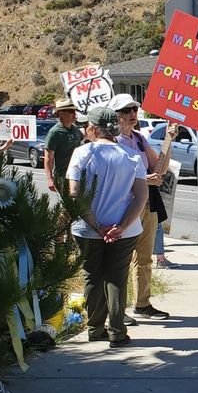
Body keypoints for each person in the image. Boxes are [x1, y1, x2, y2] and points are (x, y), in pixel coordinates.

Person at [67, 106, 148, 348]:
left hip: (87, 229)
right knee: (116, 277)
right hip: (125, 230)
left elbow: (74, 194)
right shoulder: (131, 156)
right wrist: (121, 226)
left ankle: (95, 328)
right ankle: (117, 331)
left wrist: (97, 225)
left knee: (92, 275)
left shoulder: (82, 154)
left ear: (92, 128)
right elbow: (141, 197)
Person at [112, 94, 170, 322]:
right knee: (121, 259)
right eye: (127, 110)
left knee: (144, 257)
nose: (132, 114)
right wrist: (147, 180)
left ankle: (143, 303)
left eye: (134, 109)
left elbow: (159, 167)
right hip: (125, 206)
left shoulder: (138, 138)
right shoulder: (112, 142)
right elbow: (118, 176)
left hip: (146, 204)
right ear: (116, 115)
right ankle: (118, 309)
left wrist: (169, 139)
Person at [44, 97, 83, 192]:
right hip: (63, 176)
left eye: (74, 111)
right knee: (68, 205)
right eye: (70, 111)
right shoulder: (55, 132)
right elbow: (49, 157)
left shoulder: (75, 129)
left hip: (79, 175)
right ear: (60, 113)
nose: (74, 114)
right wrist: (49, 178)